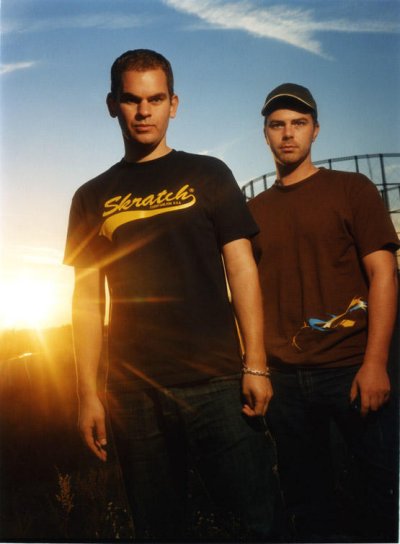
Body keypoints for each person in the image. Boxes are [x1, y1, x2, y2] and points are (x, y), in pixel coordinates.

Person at [64, 49, 281, 541]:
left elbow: (242, 268)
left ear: (174, 104)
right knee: (159, 529)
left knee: (256, 523)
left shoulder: (210, 173)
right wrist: (87, 395)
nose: (144, 111)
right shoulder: (91, 196)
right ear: (112, 104)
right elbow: (86, 301)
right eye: (132, 100)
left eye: (156, 99)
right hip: (134, 394)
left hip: (218, 383)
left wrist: (256, 364)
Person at [248, 83, 400, 542]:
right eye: (277, 125)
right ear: (265, 133)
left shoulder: (352, 189)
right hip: (286, 380)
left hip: (351, 368)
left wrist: (376, 363)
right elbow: (247, 294)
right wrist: (257, 367)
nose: (288, 134)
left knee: (382, 494)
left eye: (299, 123)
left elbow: (384, 274)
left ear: (315, 130)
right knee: (310, 507)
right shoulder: (252, 212)